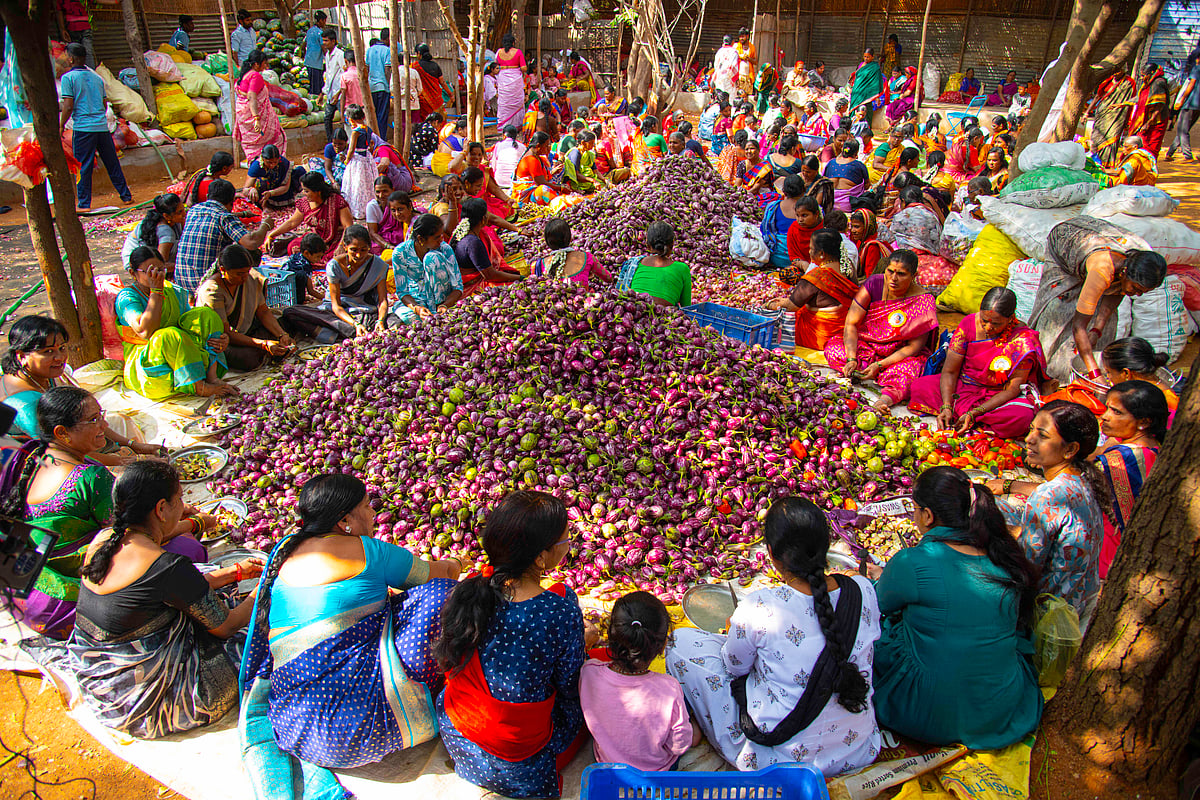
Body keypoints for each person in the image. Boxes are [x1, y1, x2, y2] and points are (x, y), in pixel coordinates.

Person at [239, 474, 458, 789]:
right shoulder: (368, 551)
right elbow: (441, 574)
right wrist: (456, 563)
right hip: (356, 733)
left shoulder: (288, 554)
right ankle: (413, 710)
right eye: (367, 507)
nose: (373, 514)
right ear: (345, 520)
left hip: (293, 729)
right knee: (443, 595)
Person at [35, 461, 260, 738]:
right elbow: (225, 626)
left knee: (215, 587)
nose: (183, 505)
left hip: (103, 686)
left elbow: (173, 589)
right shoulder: (165, 566)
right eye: (180, 498)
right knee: (257, 637)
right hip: (148, 702)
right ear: (161, 508)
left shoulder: (104, 538)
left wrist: (233, 573)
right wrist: (262, 588)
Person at [668, 496, 880, 774]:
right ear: (827, 548)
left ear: (771, 554)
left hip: (778, 758)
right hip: (856, 749)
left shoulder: (761, 605)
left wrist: (737, 631)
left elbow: (734, 667)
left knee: (681, 644)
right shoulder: (863, 589)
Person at [3, 387, 195, 639]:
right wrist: (195, 523)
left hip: (27, 593)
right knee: (187, 548)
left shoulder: (32, 457)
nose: (104, 424)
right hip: (68, 604)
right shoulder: (90, 479)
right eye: (93, 420)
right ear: (62, 433)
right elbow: (136, 539)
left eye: (100, 415)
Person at [872, 466, 1041, 749]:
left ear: (927, 515)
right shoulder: (1005, 554)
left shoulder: (913, 561)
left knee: (881, 634)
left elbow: (880, 606)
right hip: (998, 708)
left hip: (928, 712)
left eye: (914, 510)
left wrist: (876, 578)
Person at [435, 491, 590, 799]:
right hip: (519, 761)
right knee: (596, 686)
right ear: (540, 557)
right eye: (565, 539)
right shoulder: (559, 610)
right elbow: (571, 685)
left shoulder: (469, 591)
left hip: (458, 733)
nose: (569, 543)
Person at [991, 402, 1107, 625]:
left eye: (1042, 435)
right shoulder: (1082, 478)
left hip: (1051, 608)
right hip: (1080, 597)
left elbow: (1026, 567)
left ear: (1070, 449)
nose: (1029, 439)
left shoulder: (1049, 495)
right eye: (1031, 429)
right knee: (1000, 507)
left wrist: (997, 532)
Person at [1030, 216, 1166, 385]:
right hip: (1065, 244)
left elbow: (1116, 293)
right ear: (1124, 273)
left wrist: (1096, 331)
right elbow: (1078, 327)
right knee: (1060, 307)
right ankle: (1050, 375)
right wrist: (1095, 374)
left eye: (1142, 292)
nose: (1137, 295)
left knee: (1106, 319)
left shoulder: (1138, 264)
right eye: (1136, 289)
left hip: (1106, 251)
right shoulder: (1101, 271)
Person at [580, 592, 697, 771]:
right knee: (687, 709)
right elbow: (678, 746)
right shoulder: (669, 689)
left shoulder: (588, 673)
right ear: (663, 645)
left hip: (609, 766)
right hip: (657, 772)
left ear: (609, 638)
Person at [908, 287, 1046, 438]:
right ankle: (967, 417)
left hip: (998, 395)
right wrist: (946, 406)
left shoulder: (1022, 340)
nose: (988, 327)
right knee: (919, 387)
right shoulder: (968, 324)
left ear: (1011, 318)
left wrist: (975, 412)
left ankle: (970, 417)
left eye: (996, 324)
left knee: (1022, 416)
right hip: (964, 387)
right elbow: (950, 371)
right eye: (984, 320)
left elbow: (1012, 389)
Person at [115, 248, 235, 400]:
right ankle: (199, 387)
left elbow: (189, 323)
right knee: (170, 335)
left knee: (206, 315)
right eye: (149, 272)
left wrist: (220, 338)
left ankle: (211, 378)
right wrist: (156, 292)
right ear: (133, 273)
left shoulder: (173, 291)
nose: (156, 276)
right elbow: (145, 332)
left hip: (179, 350)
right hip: (149, 360)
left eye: (159, 270)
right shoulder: (127, 298)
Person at [826, 250, 936, 409]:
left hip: (897, 355)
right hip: (867, 347)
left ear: (914, 276)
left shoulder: (924, 301)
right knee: (833, 348)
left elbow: (914, 347)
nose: (893, 278)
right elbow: (851, 323)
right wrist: (851, 358)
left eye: (901, 274)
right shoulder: (873, 284)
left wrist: (881, 365)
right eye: (890, 271)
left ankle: (885, 399)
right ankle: (859, 369)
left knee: (911, 370)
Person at [1093, 380, 1168, 578]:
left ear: (1143, 422)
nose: (1104, 416)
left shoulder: (1115, 461)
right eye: (1108, 408)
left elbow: (1068, 493)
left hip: (1109, 557)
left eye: (1116, 412)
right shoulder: (1157, 446)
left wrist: (1010, 485)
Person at [282, 226, 393, 341]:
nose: (359, 255)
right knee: (290, 312)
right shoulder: (334, 266)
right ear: (345, 247)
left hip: (363, 312)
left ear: (369, 248)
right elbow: (336, 306)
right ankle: (351, 331)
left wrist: (380, 320)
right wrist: (355, 324)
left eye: (363, 250)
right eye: (354, 250)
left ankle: (339, 333)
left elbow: (382, 300)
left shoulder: (378, 265)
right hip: (336, 313)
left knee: (395, 320)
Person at [195, 245, 295, 371]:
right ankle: (266, 351)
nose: (244, 277)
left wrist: (281, 334)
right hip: (223, 341)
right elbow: (226, 332)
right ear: (223, 270)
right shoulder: (212, 291)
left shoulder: (250, 279)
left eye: (247, 272)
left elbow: (263, 311)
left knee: (287, 322)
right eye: (239, 274)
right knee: (248, 358)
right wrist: (263, 344)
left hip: (246, 331)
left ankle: (270, 349)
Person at [59, 43, 132, 212]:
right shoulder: (96, 78)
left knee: (83, 165)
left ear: (71, 58)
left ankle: (84, 203)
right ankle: (126, 196)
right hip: (101, 127)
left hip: (83, 129)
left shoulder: (68, 78)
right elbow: (105, 103)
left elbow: (68, 106)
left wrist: (61, 125)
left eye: (66, 56)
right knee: (112, 162)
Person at [176, 179, 270, 295]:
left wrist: (242, 214)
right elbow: (251, 242)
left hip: (182, 283)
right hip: (204, 286)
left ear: (207, 196)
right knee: (250, 252)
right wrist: (266, 225)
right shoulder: (224, 217)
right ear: (232, 202)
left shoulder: (193, 211)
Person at [772, 229, 859, 350]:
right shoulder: (848, 268)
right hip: (846, 331)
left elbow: (790, 306)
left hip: (819, 336)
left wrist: (770, 304)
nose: (809, 252)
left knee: (776, 322)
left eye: (811, 249)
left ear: (822, 254)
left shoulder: (816, 277)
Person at [266, 172, 354, 262]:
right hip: (314, 239)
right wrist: (272, 235)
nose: (303, 193)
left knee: (335, 257)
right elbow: (292, 223)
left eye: (306, 191)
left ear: (318, 191)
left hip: (334, 240)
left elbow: (348, 226)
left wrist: (341, 245)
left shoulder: (337, 201)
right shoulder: (304, 203)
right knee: (293, 247)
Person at [392, 214, 463, 324]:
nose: (441, 240)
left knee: (432, 258)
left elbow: (458, 287)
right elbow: (402, 291)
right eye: (436, 237)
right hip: (418, 299)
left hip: (442, 300)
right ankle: (430, 318)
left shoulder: (444, 249)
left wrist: (445, 305)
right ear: (420, 239)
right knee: (405, 314)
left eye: (441, 236)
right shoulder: (400, 253)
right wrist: (417, 308)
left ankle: (436, 315)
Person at [616, 222, 692, 307]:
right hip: (667, 319)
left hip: (632, 316)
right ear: (672, 245)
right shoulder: (682, 268)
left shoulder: (632, 264)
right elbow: (687, 308)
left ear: (648, 246)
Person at [452, 199, 521, 292]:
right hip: (472, 285)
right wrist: (520, 278)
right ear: (483, 219)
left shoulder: (462, 232)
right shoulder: (473, 242)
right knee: (517, 286)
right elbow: (490, 275)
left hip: (466, 279)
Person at [1102, 336, 1178, 419]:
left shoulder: (1164, 401)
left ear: (1126, 373)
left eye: (1109, 372)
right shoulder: (1144, 391)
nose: (1108, 377)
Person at [234, 49, 287, 163]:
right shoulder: (255, 76)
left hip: (243, 115)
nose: (265, 65)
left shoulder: (244, 75)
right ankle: (272, 164)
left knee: (253, 144)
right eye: (264, 62)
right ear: (256, 64)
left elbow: (244, 93)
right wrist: (256, 118)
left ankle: (255, 163)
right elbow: (252, 97)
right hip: (254, 115)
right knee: (277, 138)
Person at [533, 218, 612, 284]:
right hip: (584, 302)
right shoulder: (587, 258)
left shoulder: (538, 265)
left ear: (547, 242)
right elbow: (608, 278)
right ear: (570, 238)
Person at [1089, 64, 1137, 167]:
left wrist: (1127, 120)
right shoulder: (1107, 80)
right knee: (1096, 138)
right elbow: (1098, 96)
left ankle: (1107, 165)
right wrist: (1087, 111)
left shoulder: (1129, 83)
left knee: (1111, 139)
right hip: (1102, 114)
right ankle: (1094, 162)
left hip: (1117, 117)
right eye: (1114, 71)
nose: (1116, 73)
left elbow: (1130, 102)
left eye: (1119, 71)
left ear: (1124, 71)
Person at [121, 193, 185, 267]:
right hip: (135, 263)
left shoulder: (173, 219)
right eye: (180, 212)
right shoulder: (167, 233)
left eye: (183, 209)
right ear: (166, 216)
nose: (184, 213)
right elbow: (160, 265)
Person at [243, 144, 305, 211]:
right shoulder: (256, 166)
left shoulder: (284, 163)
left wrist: (271, 193)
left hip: (279, 192)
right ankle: (265, 205)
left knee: (300, 172)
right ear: (263, 159)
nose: (272, 165)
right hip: (263, 194)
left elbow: (285, 187)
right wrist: (251, 189)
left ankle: (285, 201)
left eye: (275, 162)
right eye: (269, 162)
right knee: (262, 181)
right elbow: (245, 190)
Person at [513, 133, 568, 207]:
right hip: (526, 197)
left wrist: (553, 173)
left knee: (556, 185)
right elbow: (541, 183)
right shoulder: (531, 160)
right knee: (544, 190)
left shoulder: (537, 157)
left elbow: (542, 177)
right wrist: (560, 187)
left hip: (534, 190)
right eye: (546, 146)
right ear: (538, 146)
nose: (548, 148)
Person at [884, 185, 943, 254]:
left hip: (908, 255)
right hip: (930, 253)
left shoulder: (900, 216)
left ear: (903, 201)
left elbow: (892, 237)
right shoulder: (932, 214)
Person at [1166, 47, 1200, 161]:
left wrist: (1182, 99)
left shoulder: (1197, 69)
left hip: (1191, 103)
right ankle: (1170, 152)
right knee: (1184, 129)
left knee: (1182, 130)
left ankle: (1187, 155)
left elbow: (1191, 85)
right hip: (1198, 106)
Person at [1129, 62, 1170, 157]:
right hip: (1144, 119)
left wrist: (1149, 122)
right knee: (1139, 142)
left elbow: (1159, 105)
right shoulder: (1147, 83)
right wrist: (1122, 104)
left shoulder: (1158, 83)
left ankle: (1148, 168)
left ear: (1151, 73)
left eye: (1144, 75)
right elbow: (1141, 97)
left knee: (1151, 146)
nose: (1142, 78)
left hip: (1156, 121)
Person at [280, 232, 330, 303]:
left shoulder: (295, 256)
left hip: (282, 292)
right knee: (301, 276)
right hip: (290, 295)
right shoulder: (305, 267)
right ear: (306, 253)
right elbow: (311, 291)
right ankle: (300, 301)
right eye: (317, 256)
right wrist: (326, 298)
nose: (319, 259)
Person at [825, 139, 870, 211]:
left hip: (828, 204)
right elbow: (867, 186)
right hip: (849, 206)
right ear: (856, 152)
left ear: (843, 149)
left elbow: (823, 180)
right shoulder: (859, 165)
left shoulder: (831, 162)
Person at [495, 35, 528, 131]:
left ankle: (503, 126)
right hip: (515, 78)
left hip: (503, 78)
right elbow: (523, 68)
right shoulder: (518, 52)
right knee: (516, 102)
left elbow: (496, 64)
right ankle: (517, 125)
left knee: (504, 103)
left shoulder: (498, 52)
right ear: (513, 43)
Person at [366, 184, 413, 251]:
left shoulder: (414, 223)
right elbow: (372, 232)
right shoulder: (372, 205)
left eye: (400, 209)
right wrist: (389, 246)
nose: (397, 214)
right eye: (393, 210)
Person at [848, 208, 891, 277]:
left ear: (867, 227)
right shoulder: (860, 242)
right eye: (852, 226)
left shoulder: (872, 247)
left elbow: (870, 276)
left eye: (857, 227)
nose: (853, 230)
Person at [320, 29, 346, 144]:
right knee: (327, 118)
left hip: (339, 95)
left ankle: (346, 142)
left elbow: (345, 75)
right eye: (323, 40)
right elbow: (329, 76)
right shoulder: (327, 55)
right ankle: (332, 142)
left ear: (333, 41)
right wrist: (323, 93)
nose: (324, 43)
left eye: (326, 41)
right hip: (331, 94)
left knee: (344, 120)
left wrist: (339, 93)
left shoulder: (340, 55)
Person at [365, 29, 392, 134]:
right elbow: (387, 70)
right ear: (387, 38)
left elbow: (366, 69)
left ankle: (372, 138)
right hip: (382, 87)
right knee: (382, 116)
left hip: (371, 87)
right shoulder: (387, 51)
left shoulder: (369, 50)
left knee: (373, 116)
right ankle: (381, 139)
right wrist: (389, 85)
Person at [415, 43, 449, 118]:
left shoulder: (415, 67)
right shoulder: (435, 65)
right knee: (439, 120)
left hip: (423, 101)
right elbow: (442, 82)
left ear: (419, 53)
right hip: (436, 100)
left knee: (425, 120)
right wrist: (450, 94)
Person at [848, 48, 883, 117]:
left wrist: (876, 96)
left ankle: (867, 125)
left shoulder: (875, 68)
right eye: (864, 56)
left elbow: (876, 82)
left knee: (867, 109)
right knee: (854, 108)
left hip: (866, 93)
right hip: (856, 92)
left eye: (868, 57)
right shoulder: (861, 65)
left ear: (872, 57)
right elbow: (856, 76)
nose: (866, 58)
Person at [339, 48, 367, 115]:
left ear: (346, 61)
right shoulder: (363, 74)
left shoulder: (344, 76)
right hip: (363, 108)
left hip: (350, 110)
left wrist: (342, 114)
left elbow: (343, 96)